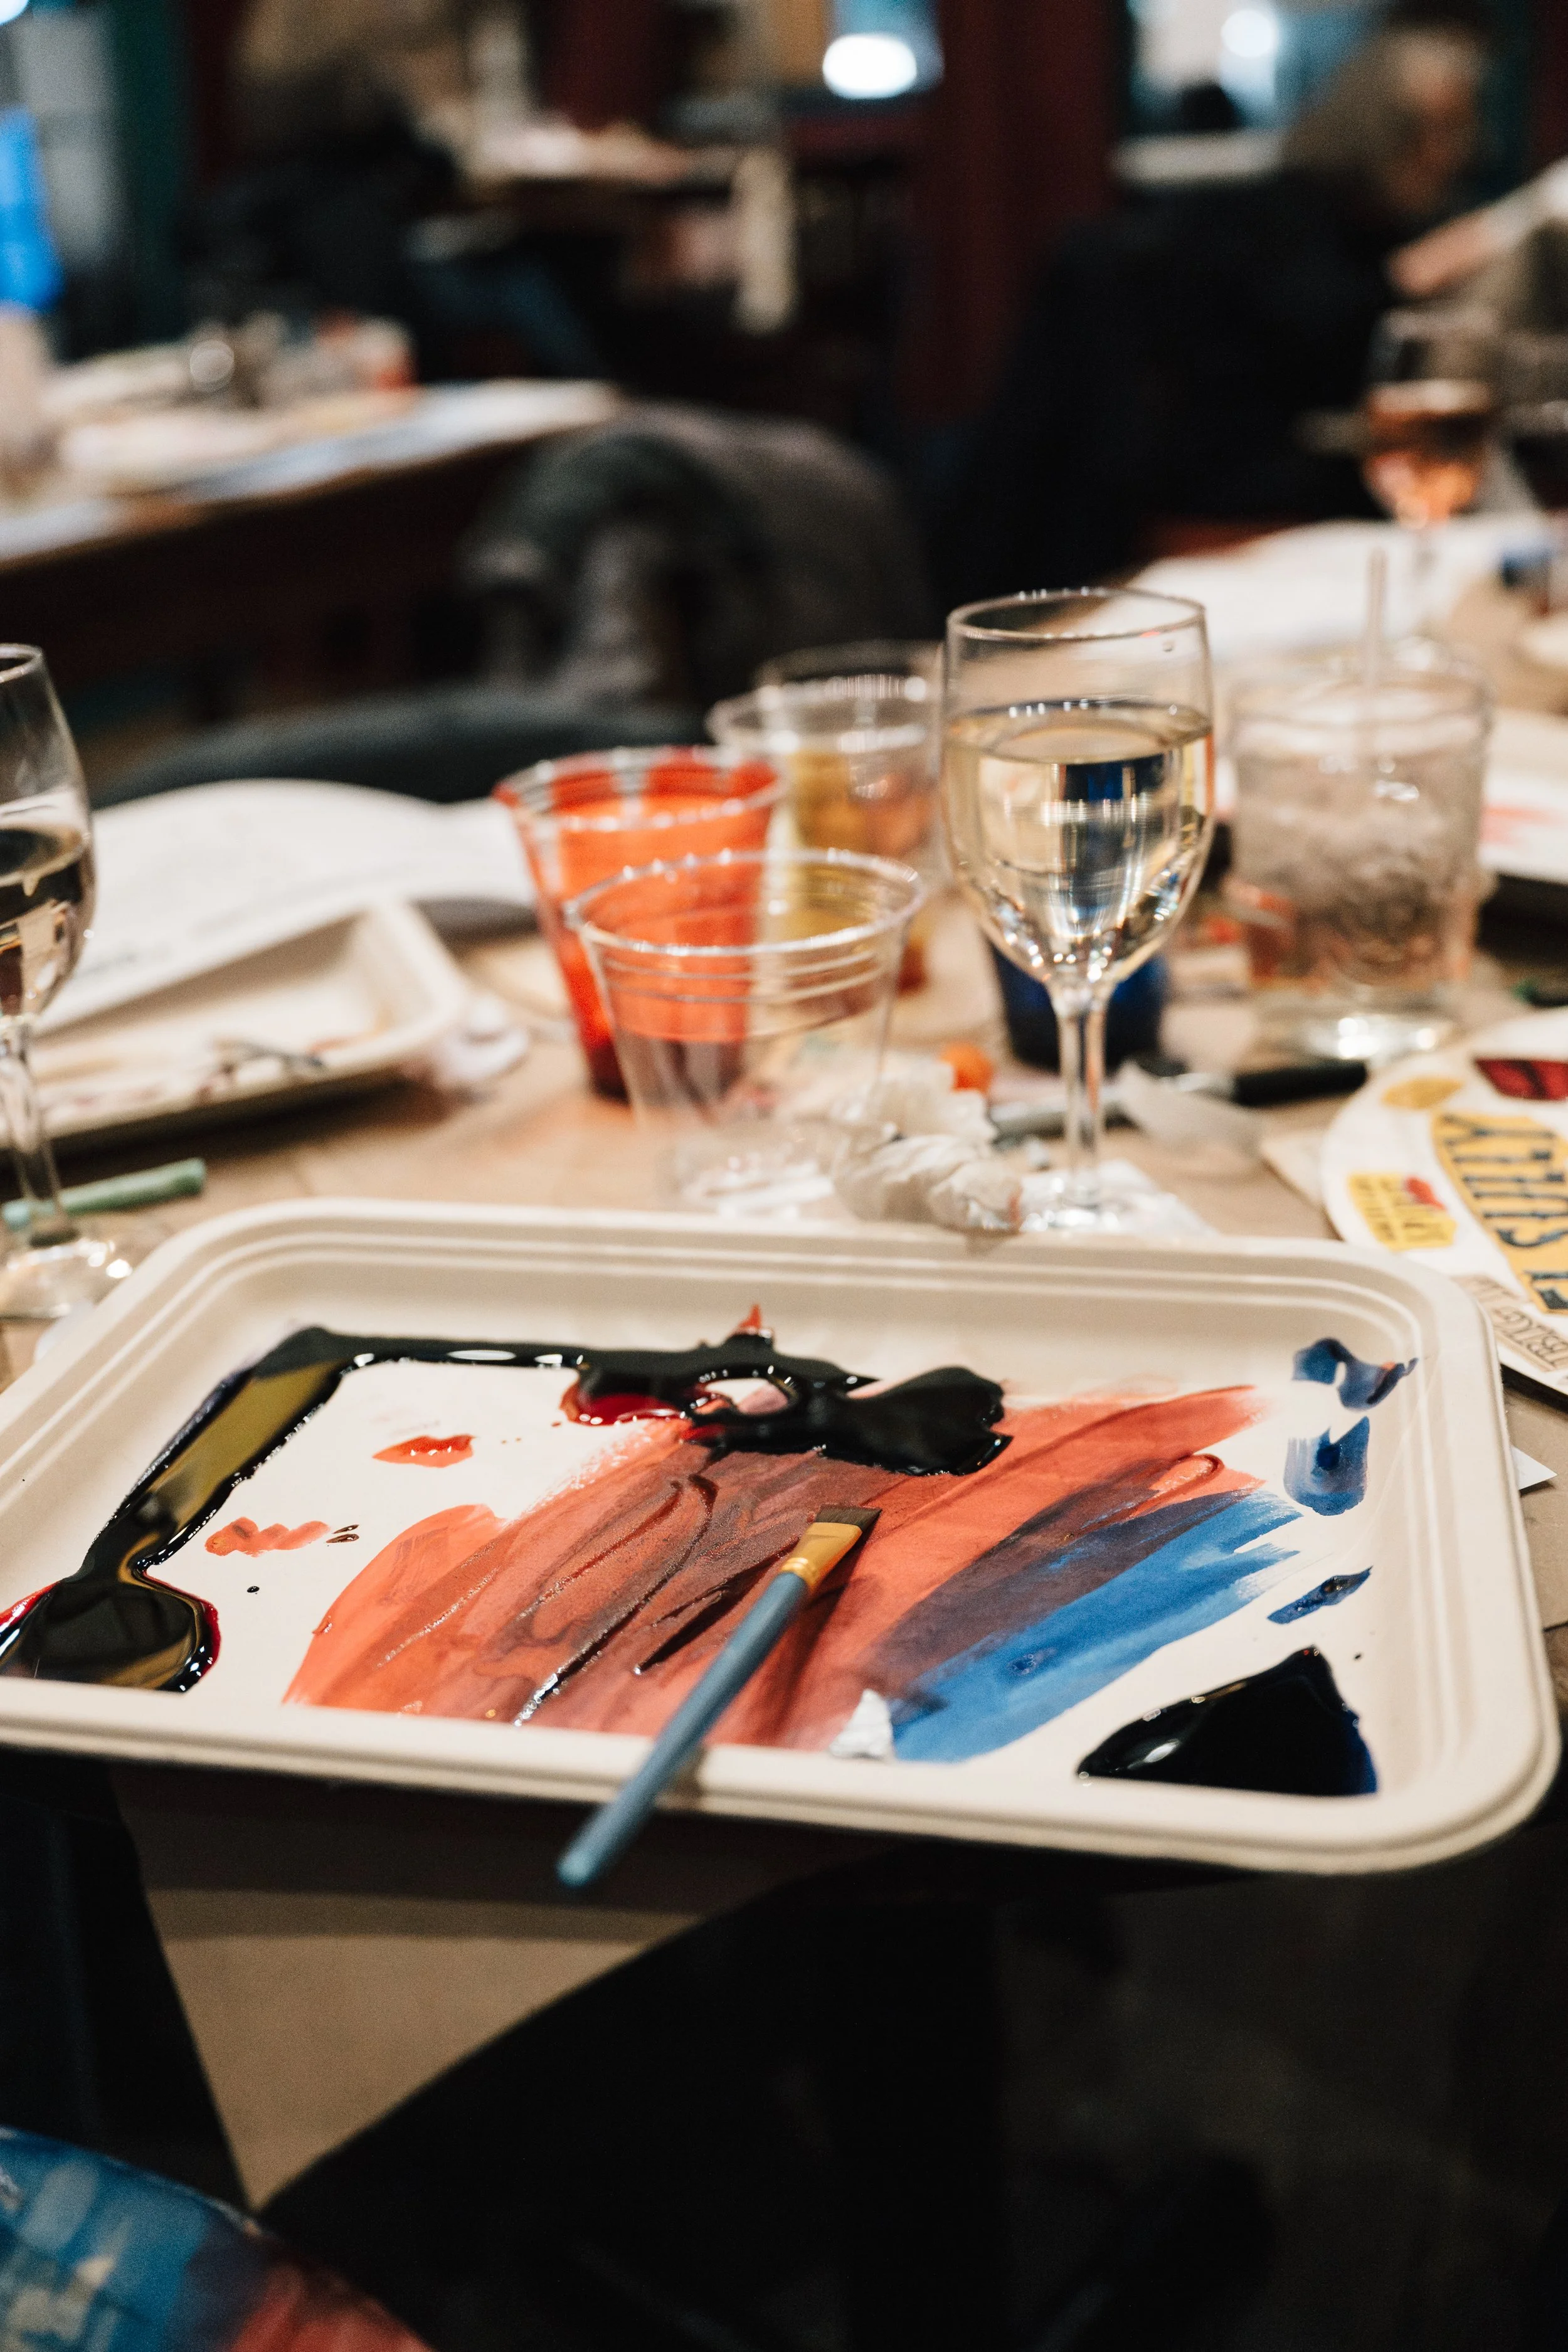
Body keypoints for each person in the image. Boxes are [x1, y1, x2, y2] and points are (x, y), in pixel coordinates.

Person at [941, 14, 1490, 601]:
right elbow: (1316, 341)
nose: (1452, 153)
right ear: (1377, 127)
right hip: (1230, 491)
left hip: (1304, 487)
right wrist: (1408, 279)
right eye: (1431, 131)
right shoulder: (1279, 219)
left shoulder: (1393, 226)